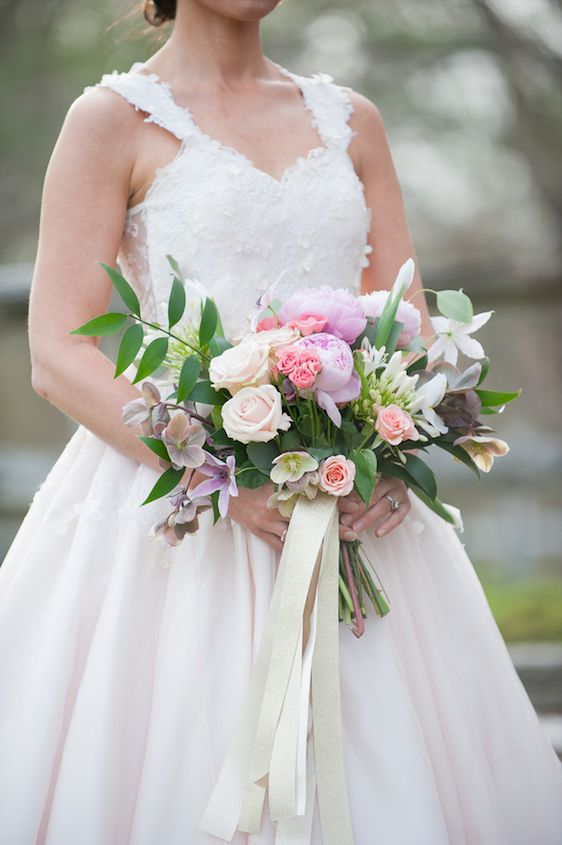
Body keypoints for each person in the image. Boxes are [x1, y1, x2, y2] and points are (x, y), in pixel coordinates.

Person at [1, 1, 562, 843]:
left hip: (353, 510)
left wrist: (393, 448)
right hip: (175, 512)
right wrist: (213, 473)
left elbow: (402, 318)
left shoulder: (352, 121)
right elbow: (58, 350)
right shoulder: (110, 120)